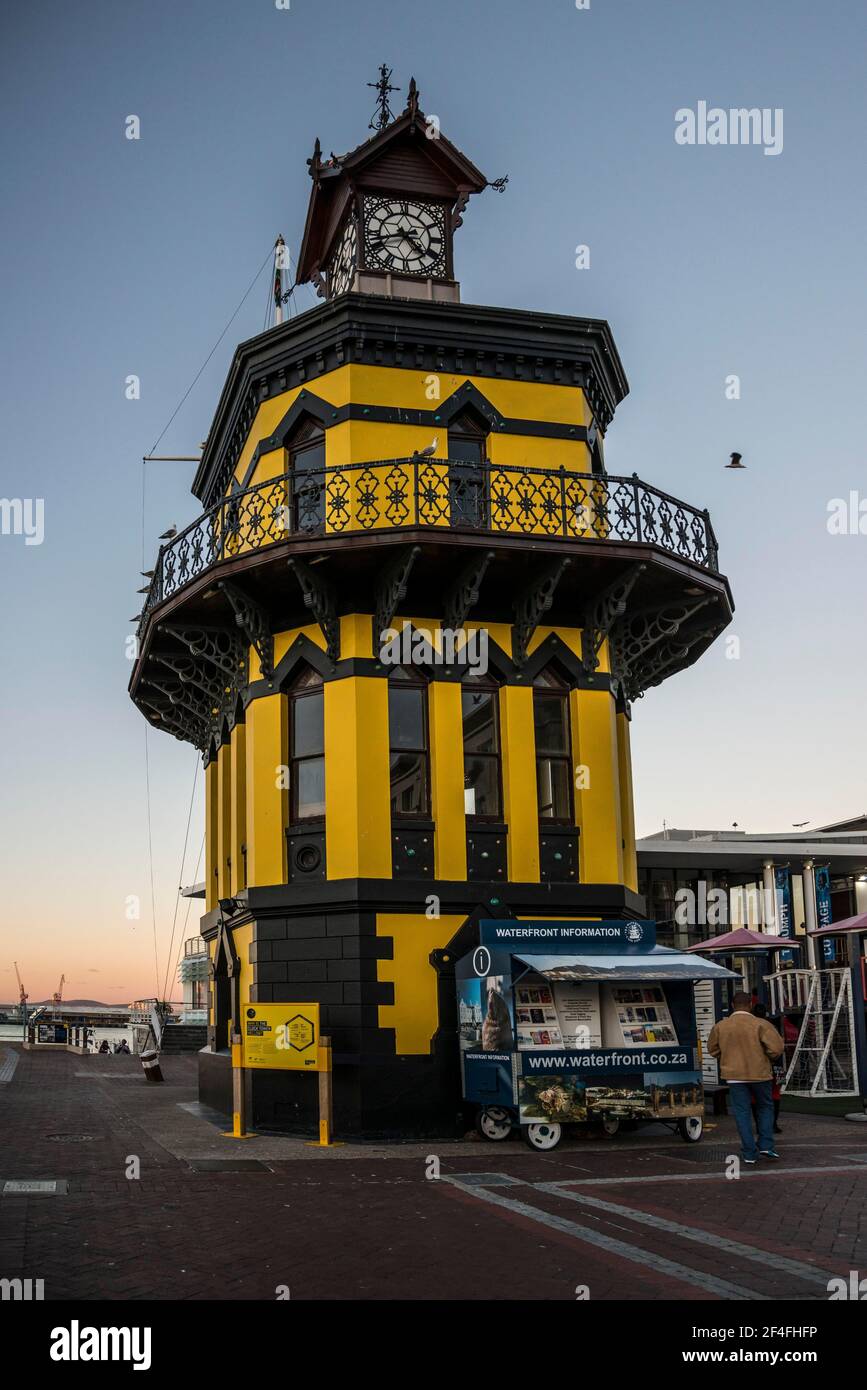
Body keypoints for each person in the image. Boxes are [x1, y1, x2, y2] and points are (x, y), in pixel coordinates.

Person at [708, 991, 784, 1164]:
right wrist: (767, 1057)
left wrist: (726, 1056)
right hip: (760, 1074)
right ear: (750, 1004)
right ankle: (766, 1145)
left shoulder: (721, 1026)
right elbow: (777, 1048)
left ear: (733, 1005)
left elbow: (712, 1049)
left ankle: (749, 1152)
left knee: (742, 1113)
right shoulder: (761, 1024)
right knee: (765, 1107)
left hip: (734, 1075)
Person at [751, 1003, 784, 1134]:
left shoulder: (751, 1027)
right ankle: (773, 1124)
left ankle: (760, 1125)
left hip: (756, 1066)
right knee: (775, 1095)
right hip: (776, 1064)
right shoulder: (772, 1026)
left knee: (755, 1097)